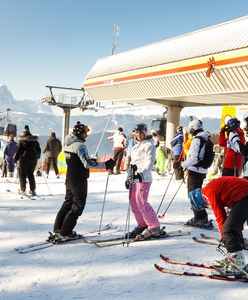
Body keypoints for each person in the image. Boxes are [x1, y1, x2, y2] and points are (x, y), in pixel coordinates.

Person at [53, 121, 115, 240]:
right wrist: (106, 165)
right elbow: (87, 164)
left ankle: (58, 228)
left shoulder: (68, 145)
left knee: (68, 202)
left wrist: (90, 159)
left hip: (70, 177)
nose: (86, 135)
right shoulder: (80, 146)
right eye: (84, 133)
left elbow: (77, 160)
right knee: (78, 205)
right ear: (79, 134)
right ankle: (66, 232)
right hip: (79, 179)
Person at [189, 177, 248, 274]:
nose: (207, 206)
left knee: (228, 229)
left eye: (204, 206)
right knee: (231, 227)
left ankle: (238, 264)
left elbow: (220, 217)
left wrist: (225, 237)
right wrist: (236, 229)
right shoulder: (209, 188)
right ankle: (235, 256)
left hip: (244, 196)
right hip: (243, 195)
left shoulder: (207, 194)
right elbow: (234, 209)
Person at [174, 119, 211, 228]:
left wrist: (182, 165)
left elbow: (194, 158)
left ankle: (199, 218)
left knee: (193, 194)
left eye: (190, 129)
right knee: (196, 193)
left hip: (195, 170)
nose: (190, 131)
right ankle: (202, 216)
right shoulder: (205, 137)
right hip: (202, 169)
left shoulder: (197, 140)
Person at [125, 123, 160, 239]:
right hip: (134, 178)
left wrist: (140, 174)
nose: (139, 135)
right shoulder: (135, 147)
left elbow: (149, 163)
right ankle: (142, 224)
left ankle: (153, 226)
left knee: (141, 203)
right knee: (134, 203)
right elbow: (132, 163)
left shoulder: (149, 145)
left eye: (141, 132)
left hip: (143, 178)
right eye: (137, 132)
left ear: (145, 133)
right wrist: (128, 177)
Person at [14, 125, 41, 196]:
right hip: (33, 159)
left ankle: (23, 189)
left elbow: (18, 150)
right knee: (30, 174)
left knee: (22, 174)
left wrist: (15, 159)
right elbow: (39, 149)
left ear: (23, 131)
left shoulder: (22, 139)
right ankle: (33, 190)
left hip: (24, 159)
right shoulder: (34, 139)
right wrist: (38, 156)